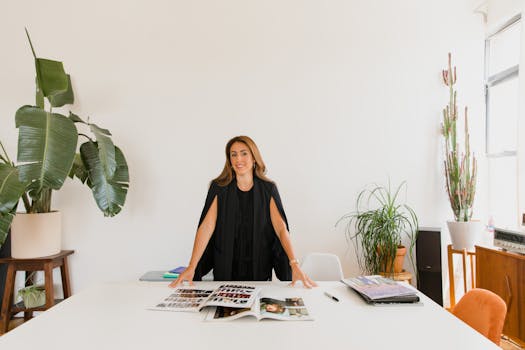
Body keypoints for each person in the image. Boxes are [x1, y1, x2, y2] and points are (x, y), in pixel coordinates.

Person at [170, 135, 316, 288]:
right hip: (225, 268)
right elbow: (206, 227)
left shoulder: (268, 189)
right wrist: (192, 266)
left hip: (258, 269)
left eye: (244, 153)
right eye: (233, 154)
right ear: (229, 160)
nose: (238, 159)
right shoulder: (218, 188)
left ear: (254, 157)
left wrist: (294, 264)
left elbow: (281, 229)